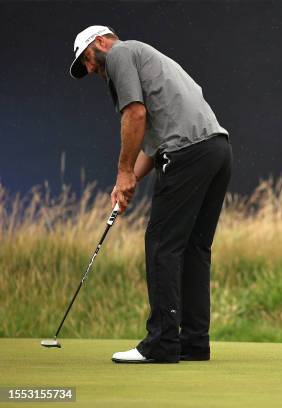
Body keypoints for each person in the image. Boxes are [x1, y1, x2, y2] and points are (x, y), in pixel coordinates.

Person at [69, 26, 232, 363]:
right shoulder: (148, 58)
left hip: (187, 154)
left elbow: (135, 113)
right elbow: (153, 143)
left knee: (162, 244)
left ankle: (162, 343)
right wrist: (128, 183)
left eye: (86, 60)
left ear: (100, 42)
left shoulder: (120, 53)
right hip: (216, 150)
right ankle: (194, 342)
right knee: (193, 249)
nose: (89, 69)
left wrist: (124, 171)